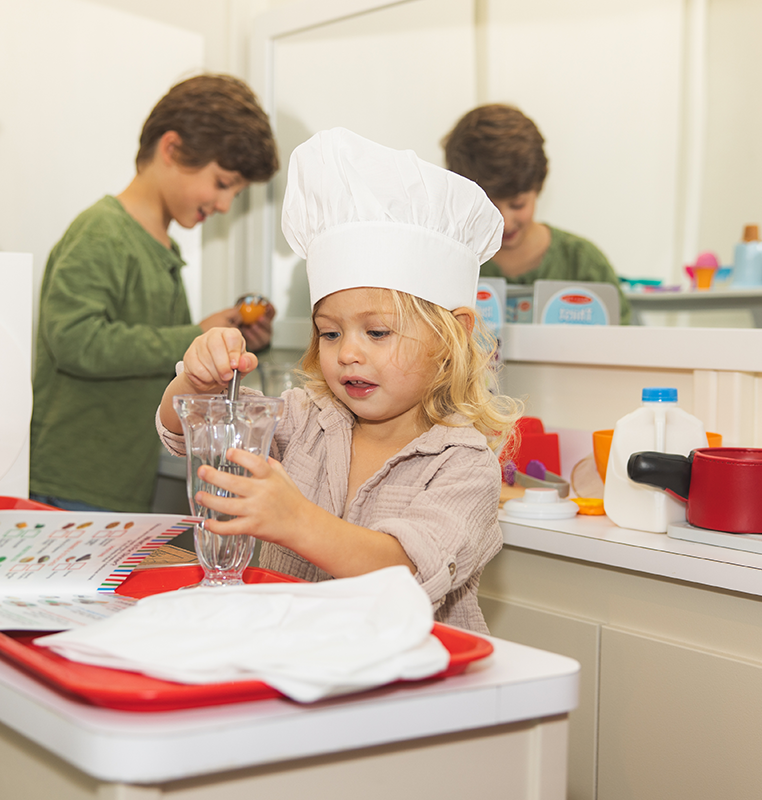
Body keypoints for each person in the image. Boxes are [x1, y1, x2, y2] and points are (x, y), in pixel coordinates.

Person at [156, 128, 520, 633]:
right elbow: (189, 431)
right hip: (294, 662)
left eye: (376, 331)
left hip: (404, 688)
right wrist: (198, 382)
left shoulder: (462, 467)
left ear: (452, 336)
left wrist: (297, 520)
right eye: (329, 333)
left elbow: (407, 573)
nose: (348, 352)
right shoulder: (303, 420)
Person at [30, 74, 279, 513]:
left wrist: (218, 346)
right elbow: (74, 340)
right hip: (70, 481)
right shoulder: (102, 230)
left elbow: (163, 355)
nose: (224, 206)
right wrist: (192, 334)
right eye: (223, 184)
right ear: (172, 149)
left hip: (121, 480)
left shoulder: (164, 247)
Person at [443, 103, 632, 324]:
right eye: (490, 208)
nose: (504, 221)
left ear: (539, 184)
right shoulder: (450, 263)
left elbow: (624, 346)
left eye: (518, 204)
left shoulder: (582, 263)